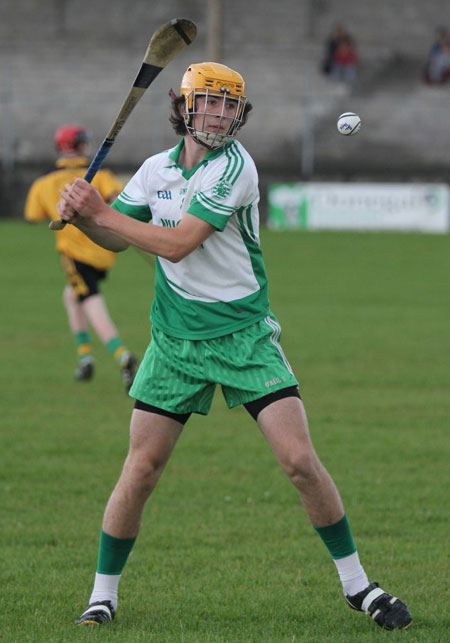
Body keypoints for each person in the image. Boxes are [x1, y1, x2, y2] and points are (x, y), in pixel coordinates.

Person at [57, 63, 412, 631]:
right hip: (174, 342)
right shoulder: (155, 171)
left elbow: (177, 246)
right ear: (184, 107)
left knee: (298, 461)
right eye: (211, 103)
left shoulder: (234, 168)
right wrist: (84, 219)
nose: (221, 114)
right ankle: (102, 596)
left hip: (244, 338)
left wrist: (98, 212)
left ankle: (358, 586)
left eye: (230, 105)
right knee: (141, 469)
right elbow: (116, 239)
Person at [25, 124, 138, 390]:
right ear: (82, 146)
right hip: (103, 249)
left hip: (75, 255)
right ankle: (85, 357)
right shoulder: (101, 175)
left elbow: (33, 215)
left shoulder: (44, 182)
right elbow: (119, 200)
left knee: (90, 300)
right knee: (71, 296)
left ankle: (123, 357)